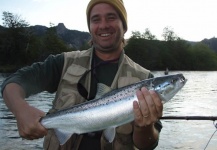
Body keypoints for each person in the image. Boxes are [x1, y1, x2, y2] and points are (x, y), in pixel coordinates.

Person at [1, 0, 163, 149]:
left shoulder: (145, 80)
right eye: (96, 19)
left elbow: (147, 145)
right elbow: (14, 82)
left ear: (124, 25)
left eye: (111, 17)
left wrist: (145, 126)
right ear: (90, 26)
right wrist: (20, 110)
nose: (103, 25)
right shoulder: (63, 63)